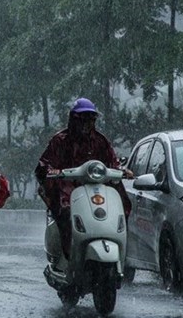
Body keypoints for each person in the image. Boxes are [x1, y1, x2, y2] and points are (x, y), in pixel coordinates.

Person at [35, 98, 133, 259]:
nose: (86, 124)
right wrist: (53, 171)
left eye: (90, 119)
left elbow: (112, 162)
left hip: (97, 187)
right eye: (82, 119)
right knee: (65, 210)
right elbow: (44, 165)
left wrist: (122, 170)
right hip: (68, 187)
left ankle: (123, 252)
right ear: (73, 120)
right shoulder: (60, 140)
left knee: (124, 204)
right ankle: (68, 253)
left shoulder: (100, 141)